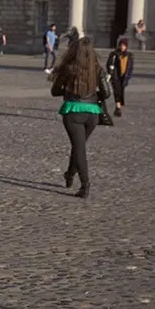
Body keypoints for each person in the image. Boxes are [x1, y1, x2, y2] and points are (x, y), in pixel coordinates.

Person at [50, 30, 103, 199]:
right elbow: (107, 93)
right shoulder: (97, 69)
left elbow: (55, 91)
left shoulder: (68, 68)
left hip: (73, 111)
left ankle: (85, 185)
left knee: (79, 147)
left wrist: (68, 88)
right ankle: (70, 174)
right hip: (93, 112)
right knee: (78, 146)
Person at [107, 38, 134, 117]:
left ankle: (118, 106)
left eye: (124, 46)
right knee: (116, 90)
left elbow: (130, 67)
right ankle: (118, 107)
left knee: (121, 91)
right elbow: (109, 63)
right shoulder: (114, 54)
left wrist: (128, 76)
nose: (122, 47)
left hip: (124, 76)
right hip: (115, 75)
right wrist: (110, 72)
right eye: (121, 45)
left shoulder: (129, 55)